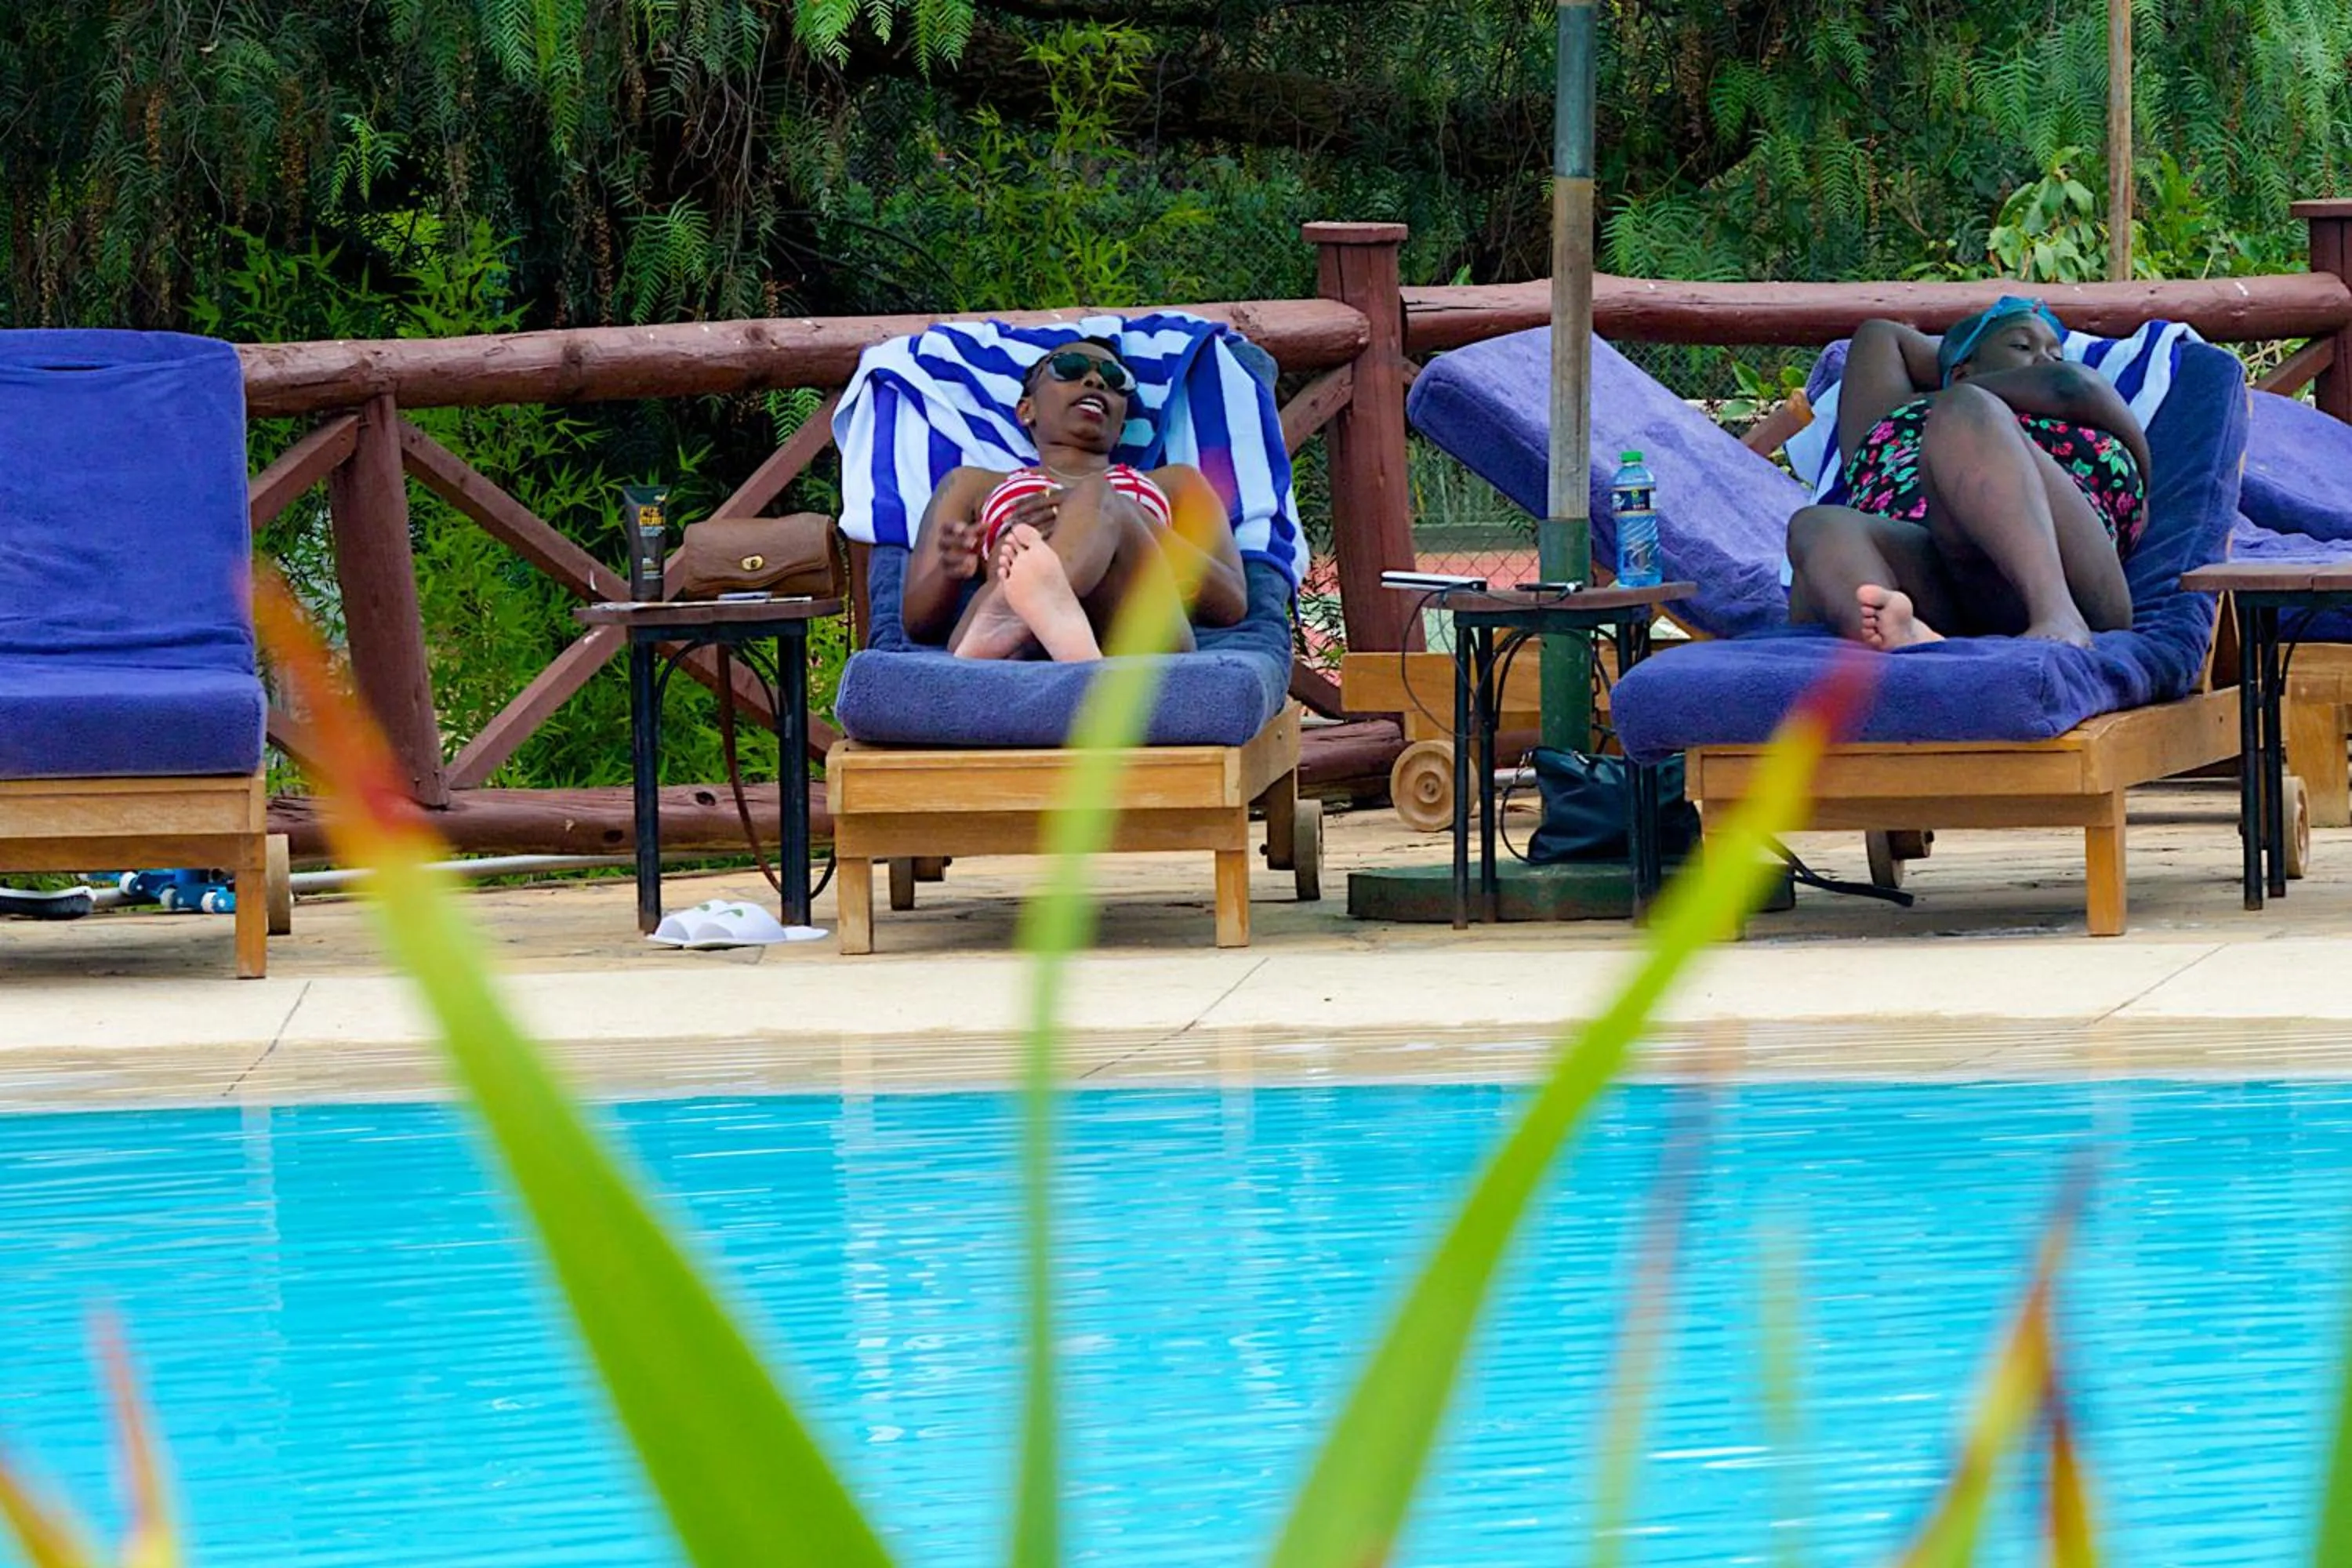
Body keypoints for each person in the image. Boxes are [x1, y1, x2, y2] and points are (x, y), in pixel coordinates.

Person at [1784, 298, 2152, 651]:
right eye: (2022, 346)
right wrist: (1951, 370)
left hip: (2073, 573)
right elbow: (1881, 334)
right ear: (1962, 369)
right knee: (1816, 525)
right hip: (1938, 581)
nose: (2045, 359)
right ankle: (1900, 633)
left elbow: (2073, 385)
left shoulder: (2081, 422)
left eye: (2056, 355)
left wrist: (1957, 389)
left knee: (1965, 410)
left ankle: (2056, 615)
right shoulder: (1892, 424)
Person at [899, 337, 1248, 661]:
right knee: (1037, 535)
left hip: (1142, 637)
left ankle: (1017, 611)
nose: (1096, 381)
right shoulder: (972, 483)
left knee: (1098, 494)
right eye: (1069, 368)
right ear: (1026, 410)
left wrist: (1119, 514)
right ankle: (1033, 619)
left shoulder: (1176, 482)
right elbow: (917, 622)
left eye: (1115, 379)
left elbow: (1231, 602)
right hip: (1005, 644)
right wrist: (950, 570)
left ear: (1121, 428)